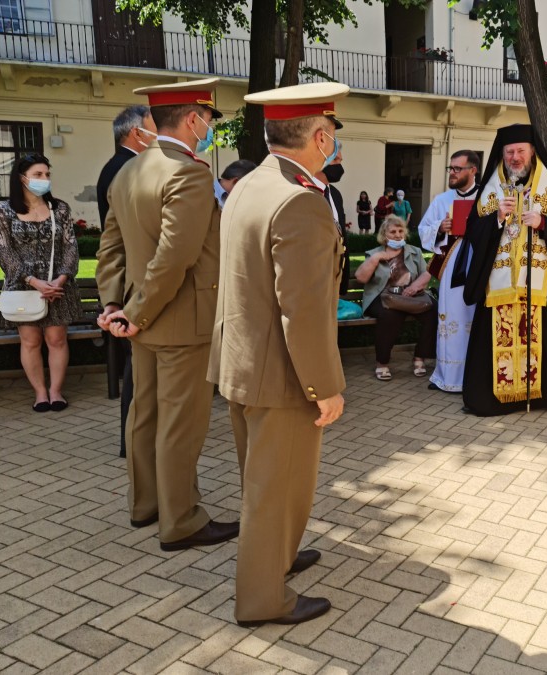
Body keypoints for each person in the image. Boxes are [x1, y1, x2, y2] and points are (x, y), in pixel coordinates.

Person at [208, 82, 348, 628]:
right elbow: (305, 311)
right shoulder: (300, 202)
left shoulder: (250, 184)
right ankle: (264, 598)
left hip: (244, 361)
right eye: (332, 133)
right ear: (318, 136)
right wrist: (326, 386)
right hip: (284, 373)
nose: (333, 143)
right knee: (274, 488)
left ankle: (281, 557)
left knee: (266, 482)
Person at [96, 78, 239, 551]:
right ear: (193, 117)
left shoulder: (130, 171)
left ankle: (146, 506)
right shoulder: (189, 173)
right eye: (208, 119)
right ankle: (181, 522)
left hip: (145, 316)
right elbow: (174, 257)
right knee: (180, 424)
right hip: (182, 319)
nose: (208, 128)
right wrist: (134, 311)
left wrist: (115, 305)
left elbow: (111, 247)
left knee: (146, 415)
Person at [461, 124, 547, 416]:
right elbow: (473, 230)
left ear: (532, 152)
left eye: (520, 151)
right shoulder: (492, 184)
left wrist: (544, 223)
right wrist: (496, 217)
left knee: (543, 336)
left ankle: (541, 394)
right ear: (502, 154)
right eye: (510, 152)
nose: (515, 157)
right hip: (499, 280)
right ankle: (492, 397)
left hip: (538, 282)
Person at [0, 154, 81, 412]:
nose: (45, 179)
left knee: (57, 339)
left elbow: (70, 247)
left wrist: (61, 279)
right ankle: (40, 393)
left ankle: (56, 392)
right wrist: (33, 281)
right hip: (23, 285)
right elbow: (3, 251)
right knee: (30, 340)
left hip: (57, 286)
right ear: (22, 179)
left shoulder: (61, 209)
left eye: (47, 174)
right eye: (38, 174)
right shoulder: (3, 211)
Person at [96, 104, 157, 456]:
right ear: (136, 132)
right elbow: (118, 240)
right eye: (154, 128)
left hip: (127, 285)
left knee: (138, 373)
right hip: (134, 285)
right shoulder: (126, 169)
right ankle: (132, 441)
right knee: (137, 374)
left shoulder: (119, 166)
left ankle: (132, 440)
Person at [417, 149, 480, 392]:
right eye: (450, 168)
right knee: (451, 319)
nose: (452, 173)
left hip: (480, 265)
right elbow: (423, 231)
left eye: (457, 168)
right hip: (452, 264)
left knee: (475, 319)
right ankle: (447, 376)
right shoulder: (442, 200)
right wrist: (441, 227)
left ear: (472, 170)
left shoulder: (489, 197)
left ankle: (473, 376)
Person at [355, 214, 436, 381]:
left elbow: (427, 273)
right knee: (390, 315)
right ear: (385, 235)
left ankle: (420, 357)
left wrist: (415, 286)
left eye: (401, 231)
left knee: (434, 312)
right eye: (393, 231)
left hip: (410, 297)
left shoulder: (415, 252)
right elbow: (361, 278)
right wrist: (376, 259)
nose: (398, 234)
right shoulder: (374, 253)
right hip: (382, 297)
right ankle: (382, 363)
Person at [97, 106, 157, 230]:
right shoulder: (127, 168)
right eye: (156, 133)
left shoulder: (123, 164)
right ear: (137, 133)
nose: (160, 139)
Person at [316, 149, 349, 295]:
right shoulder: (303, 191)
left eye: (341, 161)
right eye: (335, 160)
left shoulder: (335, 194)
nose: (340, 166)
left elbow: (342, 233)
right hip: (316, 275)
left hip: (336, 274)